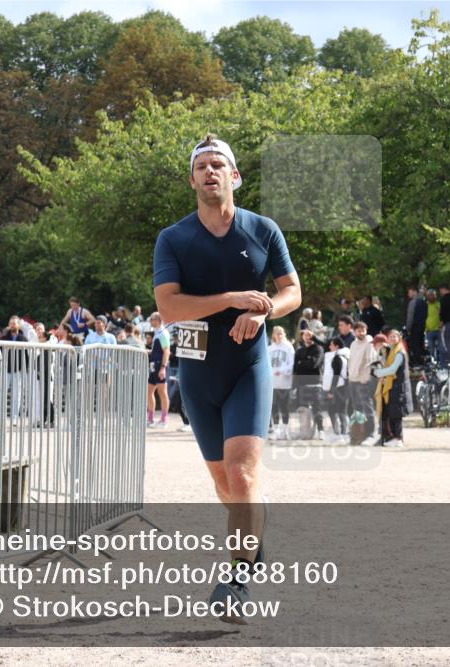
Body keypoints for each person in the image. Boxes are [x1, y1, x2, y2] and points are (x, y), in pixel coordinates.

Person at [153, 133, 301, 623]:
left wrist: (263, 315)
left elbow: (291, 292)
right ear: (192, 180)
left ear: (234, 176)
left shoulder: (263, 230)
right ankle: (253, 523)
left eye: (219, 165)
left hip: (247, 366)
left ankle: (236, 581)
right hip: (196, 373)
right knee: (225, 485)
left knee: (241, 474)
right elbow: (170, 308)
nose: (210, 172)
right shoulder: (173, 238)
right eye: (202, 167)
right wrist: (233, 299)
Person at [373, 329, 412, 447]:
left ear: (399, 338)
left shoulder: (400, 352)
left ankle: (398, 438)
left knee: (396, 414)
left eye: (395, 337)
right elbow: (383, 360)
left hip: (399, 387)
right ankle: (388, 437)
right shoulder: (390, 351)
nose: (392, 339)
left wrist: (378, 373)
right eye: (390, 337)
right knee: (389, 413)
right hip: (391, 386)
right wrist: (380, 349)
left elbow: (392, 369)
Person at [348, 321, 380, 446]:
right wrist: (350, 376)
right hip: (352, 379)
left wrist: (365, 378)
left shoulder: (369, 343)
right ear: (354, 331)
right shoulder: (353, 344)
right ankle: (359, 434)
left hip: (364, 381)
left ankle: (371, 434)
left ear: (366, 330)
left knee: (367, 408)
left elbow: (371, 362)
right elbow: (351, 361)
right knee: (357, 410)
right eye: (358, 330)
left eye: (363, 330)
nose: (361, 332)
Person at [0, 316, 29, 426]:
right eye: (11, 323)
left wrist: (25, 367)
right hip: (6, 369)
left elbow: (26, 355)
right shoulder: (3, 338)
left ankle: (14, 418)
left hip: (18, 370)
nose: (13, 325)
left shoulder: (23, 339)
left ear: (18, 325)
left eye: (14, 323)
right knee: (2, 393)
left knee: (17, 394)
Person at [268, 326, 294, 441]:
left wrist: (282, 371)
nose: (279, 336)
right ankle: (276, 430)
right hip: (273, 383)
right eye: (277, 333)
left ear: (284, 334)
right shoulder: (270, 348)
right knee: (274, 407)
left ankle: (285, 430)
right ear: (273, 335)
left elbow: (291, 364)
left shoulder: (288, 347)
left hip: (284, 382)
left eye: (281, 333)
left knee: (284, 407)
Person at [144, 312, 170, 429]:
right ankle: (151, 418)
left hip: (160, 366)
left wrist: (163, 368)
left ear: (158, 320)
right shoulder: (157, 333)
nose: (151, 321)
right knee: (149, 392)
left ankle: (164, 420)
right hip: (153, 366)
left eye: (153, 319)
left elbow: (166, 351)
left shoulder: (163, 333)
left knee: (162, 393)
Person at [322, 337, 350, 444]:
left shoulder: (337, 358)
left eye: (331, 345)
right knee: (342, 411)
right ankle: (342, 434)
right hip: (345, 387)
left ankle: (339, 434)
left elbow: (336, 376)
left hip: (338, 388)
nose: (329, 347)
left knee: (334, 411)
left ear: (336, 346)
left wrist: (331, 391)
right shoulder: (345, 357)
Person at [405, 287, 427, 365]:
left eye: (409, 292)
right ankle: (421, 361)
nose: (408, 294)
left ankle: (416, 362)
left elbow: (410, 317)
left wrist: (408, 328)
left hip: (415, 327)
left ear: (414, 292)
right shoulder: (424, 302)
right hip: (422, 326)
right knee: (420, 344)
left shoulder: (413, 302)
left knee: (414, 345)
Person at [424, 289, 442, 362]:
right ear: (427, 296)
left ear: (435, 296)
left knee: (441, 348)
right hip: (429, 330)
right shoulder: (425, 305)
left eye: (433, 295)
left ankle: (441, 363)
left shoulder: (439, 304)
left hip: (439, 330)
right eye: (430, 295)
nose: (432, 296)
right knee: (431, 349)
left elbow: (443, 315)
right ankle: (433, 363)